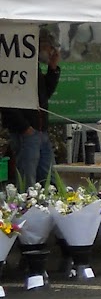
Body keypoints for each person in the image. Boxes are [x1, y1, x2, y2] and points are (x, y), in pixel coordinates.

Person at [2, 37, 61, 187]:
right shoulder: (15, 68)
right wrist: (24, 127)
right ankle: (27, 207)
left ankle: (48, 204)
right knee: (28, 177)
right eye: (48, 47)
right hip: (27, 131)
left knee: (48, 176)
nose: (50, 51)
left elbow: (44, 93)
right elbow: (7, 100)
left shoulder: (34, 68)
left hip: (40, 130)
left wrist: (53, 69)